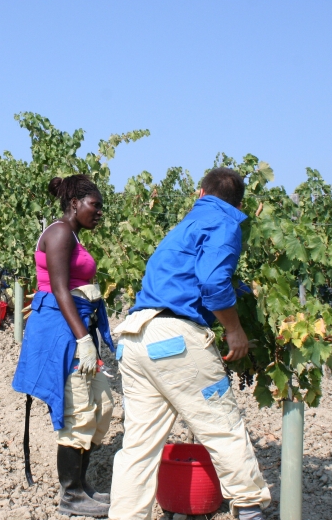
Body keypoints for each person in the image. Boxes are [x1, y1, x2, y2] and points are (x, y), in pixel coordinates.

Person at [108, 168, 270, 520]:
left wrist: (244, 291)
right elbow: (213, 282)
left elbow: (192, 276)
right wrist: (235, 329)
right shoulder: (225, 221)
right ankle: (250, 509)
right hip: (174, 342)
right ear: (240, 204)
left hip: (135, 338)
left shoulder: (185, 226)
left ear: (200, 193)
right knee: (222, 428)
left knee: (138, 449)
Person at [12, 175, 115, 518]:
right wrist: (84, 340)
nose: (100, 212)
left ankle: (81, 485)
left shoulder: (71, 235)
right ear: (75, 203)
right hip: (63, 333)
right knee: (79, 411)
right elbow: (58, 289)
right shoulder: (58, 233)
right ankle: (71, 495)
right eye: (95, 205)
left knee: (102, 404)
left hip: (75, 328)